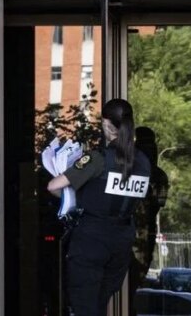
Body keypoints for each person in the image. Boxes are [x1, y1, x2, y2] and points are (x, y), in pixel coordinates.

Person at [47, 98, 152, 316]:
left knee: (84, 305)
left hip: (92, 239)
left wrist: (74, 197)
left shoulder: (98, 159)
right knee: (99, 305)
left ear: (105, 124)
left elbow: (53, 186)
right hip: (122, 241)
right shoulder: (143, 162)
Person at [129, 126, 169, 296]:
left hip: (135, 230)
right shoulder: (158, 175)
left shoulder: (130, 170)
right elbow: (159, 203)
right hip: (140, 230)